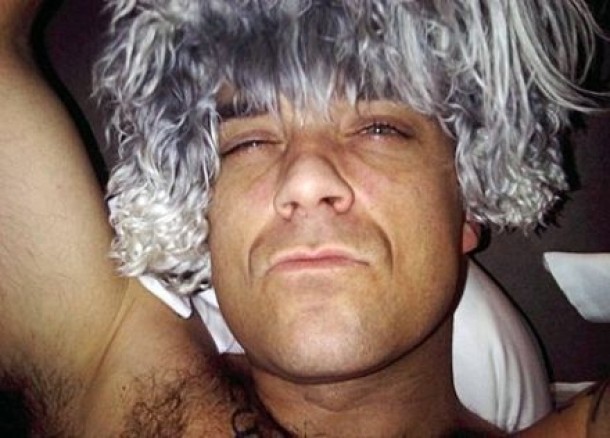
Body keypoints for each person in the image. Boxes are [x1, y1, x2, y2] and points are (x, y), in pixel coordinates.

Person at [0, 0, 607, 436]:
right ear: (204, 217)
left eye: (379, 129)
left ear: (467, 205)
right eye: (249, 143)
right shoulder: (110, 368)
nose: (306, 180)